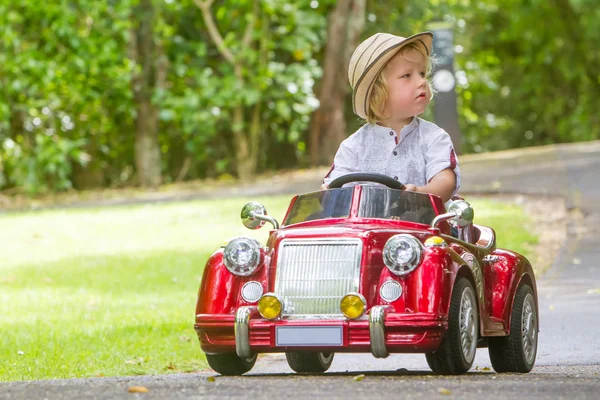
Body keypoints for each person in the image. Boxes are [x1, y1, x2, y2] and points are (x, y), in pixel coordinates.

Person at [321, 32, 460, 203]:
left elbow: (445, 181)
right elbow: (334, 187)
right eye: (407, 76)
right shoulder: (354, 146)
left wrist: (421, 193)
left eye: (422, 74)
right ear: (378, 92)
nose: (422, 82)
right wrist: (329, 193)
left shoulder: (434, 138)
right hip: (371, 226)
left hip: (426, 226)